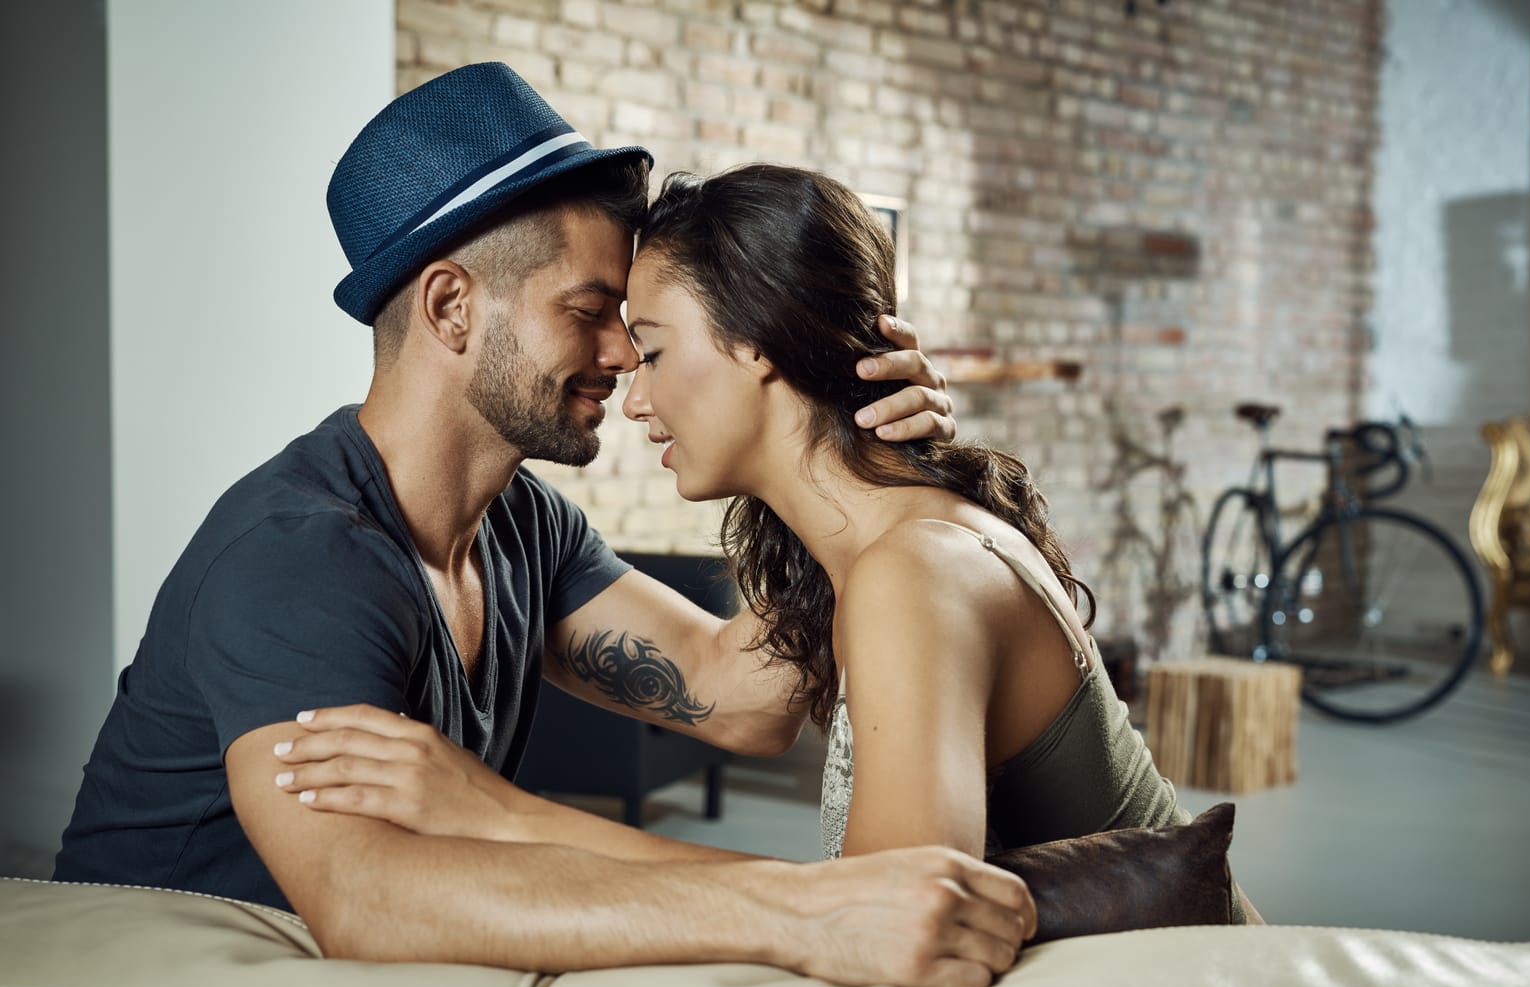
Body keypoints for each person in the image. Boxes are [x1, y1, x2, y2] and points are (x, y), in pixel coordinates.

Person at [52, 63, 1038, 987]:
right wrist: (803, 907)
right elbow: (365, 902)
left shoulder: (521, 525)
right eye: (590, 310)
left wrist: (847, 452)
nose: (624, 355)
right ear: (450, 307)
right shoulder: (298, 555)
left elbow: (739, 698)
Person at [277, 159, 1262, 924]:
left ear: (756, 340)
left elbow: (893, 926)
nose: (634, 388)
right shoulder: (893, 555)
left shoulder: (912, 570)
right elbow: (734, 696)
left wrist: (498, 816)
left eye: (653, 347)